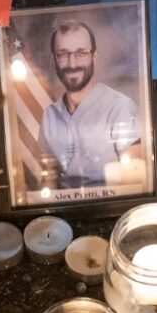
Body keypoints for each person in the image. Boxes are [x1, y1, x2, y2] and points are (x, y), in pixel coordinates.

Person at [38, 20, 141, 188]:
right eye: (63, 54)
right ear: (54, 59)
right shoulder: (49, 116)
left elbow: (134, 179)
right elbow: (49, 181)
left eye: (81, 53)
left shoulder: (119, 107)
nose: (72, 63)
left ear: (95, 56)